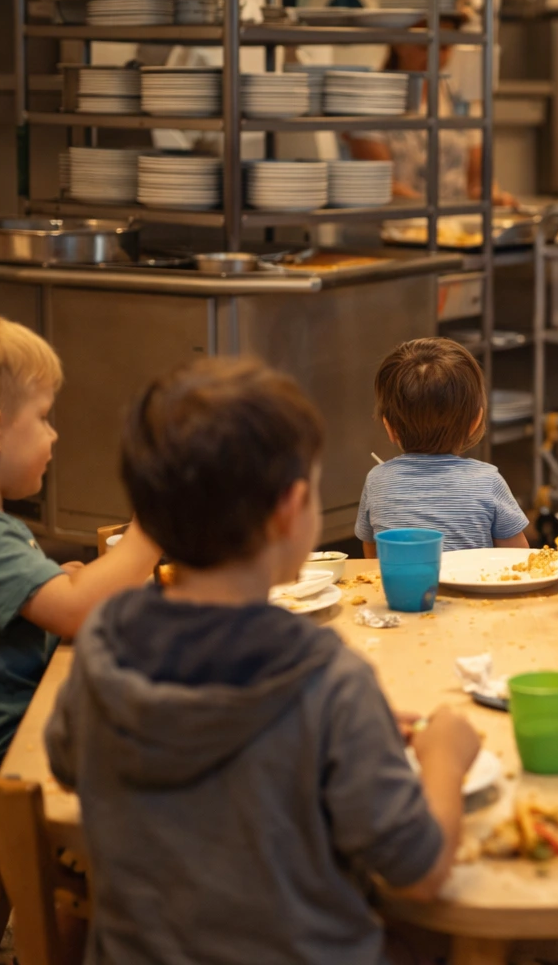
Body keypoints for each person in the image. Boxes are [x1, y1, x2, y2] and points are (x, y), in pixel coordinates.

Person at [45, 358, 481, 965]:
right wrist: (444, 757)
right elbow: (421, 872)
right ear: (291, 509)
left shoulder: (98, 649)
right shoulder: (330, 681)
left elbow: (68, 766)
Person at [0, 309, 159, 822]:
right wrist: (153, 526)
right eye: (42, 417)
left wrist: (64, 581)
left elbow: (36, 602)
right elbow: (76, 612)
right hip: (10, 760)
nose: (53, 435)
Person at [343, 0, 515, 206]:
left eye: (444, 47)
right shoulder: (370, 99)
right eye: (424, 46)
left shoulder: (461, 98)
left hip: (453, 229)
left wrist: (493, 197)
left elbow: (477, 182)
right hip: (391, 223)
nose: (435, 57)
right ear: (397, 41)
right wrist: (435, 214)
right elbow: (383, 185)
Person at [357, 338, 529, 556]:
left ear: (390, 428)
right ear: (475, 421)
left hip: (401, 590)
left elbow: (372, 558)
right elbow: (520, 558)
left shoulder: (376, 480)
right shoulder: (488, 481)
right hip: (470, 589)